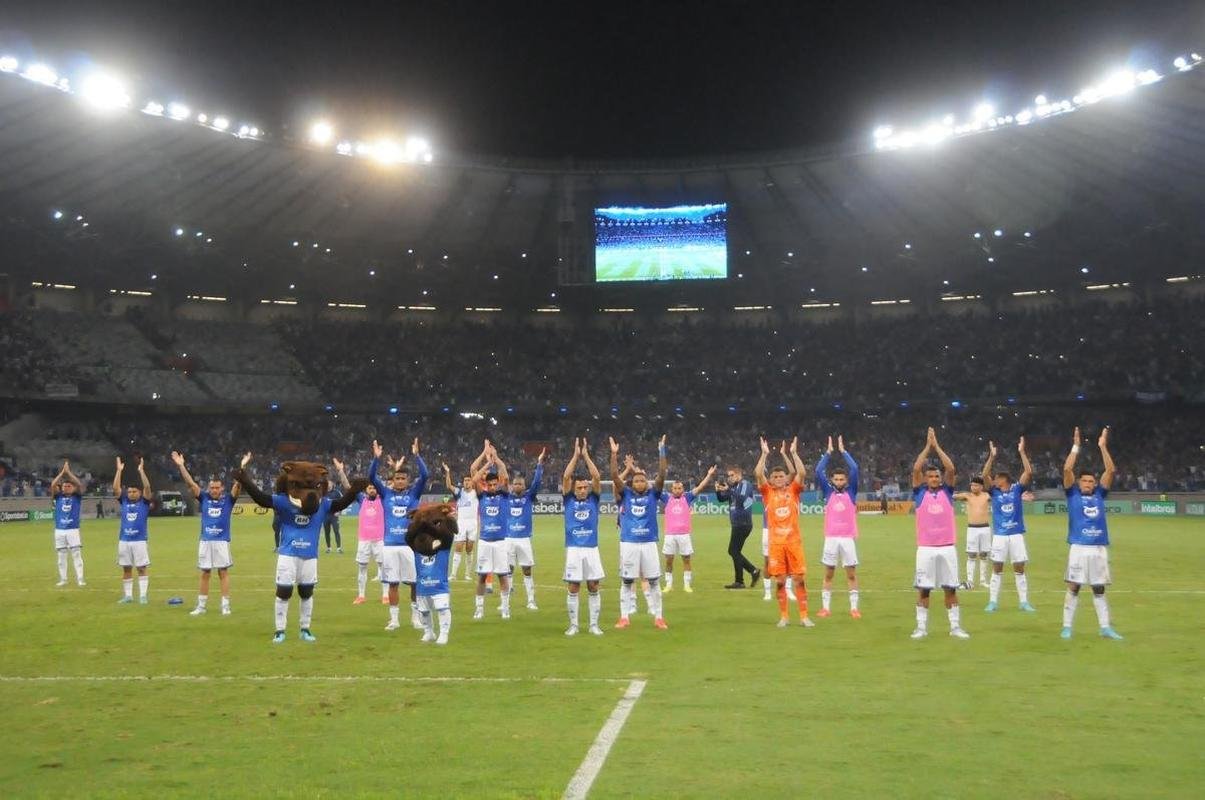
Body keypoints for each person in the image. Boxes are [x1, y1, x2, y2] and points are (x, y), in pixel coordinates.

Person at [234, 456, 363, 643]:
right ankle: (280, 630)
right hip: (288, 554)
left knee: (306, 592)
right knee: (284, 592)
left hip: (310, 556)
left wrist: (354, 491)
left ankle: (305, 629)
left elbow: (341, 504)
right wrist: (246, 481)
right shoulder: (284, 501)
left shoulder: (323, 504)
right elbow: (262, 499)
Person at [1061, 427, 1122, 640]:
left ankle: (1105, 627)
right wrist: (1076, 446)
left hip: (1098, 547)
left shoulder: (1100, 494)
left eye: (1090, 481)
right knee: (1074, 586)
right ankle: (1067, 626)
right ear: (1079, 483)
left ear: (1094, 484)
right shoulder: (1072, 494)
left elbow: (1111, 471)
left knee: (1099, 588)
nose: (1087, 484)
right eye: (1084, 481)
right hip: (1078, 546)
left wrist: (1103, 447)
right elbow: (1067, 470)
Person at [910, 428, 970, 639]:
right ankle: (921, 627)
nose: (935, 478)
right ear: (925, 479)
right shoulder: (919, 493)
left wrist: (937, 446)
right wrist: (928, 447)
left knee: (950, 588)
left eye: (937, 476)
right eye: (931, 476)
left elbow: (951, 468)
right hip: (925, 548)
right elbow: (916, 468)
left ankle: (955, 627)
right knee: (924, 589)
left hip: (947, 547)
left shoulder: (947, 491)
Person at [172, 450, 245, 616]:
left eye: (217, 487)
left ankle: (225, 606)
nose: (213, 490)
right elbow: (191, 484)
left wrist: (242, 466)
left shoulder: (228, 499)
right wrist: (181, 466)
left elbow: (238, 485)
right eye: (211, 487)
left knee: (223, 572)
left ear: (222, 488)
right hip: (205, 541)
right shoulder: (203, 497)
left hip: (221, 541)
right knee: (205, 573)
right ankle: (201, 606)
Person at [368, 438, 428, 631]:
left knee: (413, 583)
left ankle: (415, 618)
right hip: (390, 546)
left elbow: (425, 475)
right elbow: (371, 477)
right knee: (392, 583)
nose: (400, 481)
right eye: (397, 478)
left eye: (403, 478)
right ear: (392, 481)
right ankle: (394, 620)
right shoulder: (385, 494)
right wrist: (376, 459)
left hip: (410, 546)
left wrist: (417, 456)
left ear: (407, 481)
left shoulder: (413, 494)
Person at [609, 434, 668, 629]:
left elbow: (662, 474)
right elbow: (615, 477)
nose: (640, 483)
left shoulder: (654, 494)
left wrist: (661, 451)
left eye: (643, 480)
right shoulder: (624, 494)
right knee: (627, 581)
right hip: (629, 544)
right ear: (632, 484)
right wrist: (614, 454)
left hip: (649, 543)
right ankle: (624, 617)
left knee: (653, 582)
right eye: (637, 481)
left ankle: (659, 617)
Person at [756, 436, 812, 627]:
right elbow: (757, 473)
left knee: (799, 580)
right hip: (776, 545)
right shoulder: (767, 493)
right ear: (770, 480)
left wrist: (794, 453)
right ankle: (784, 616)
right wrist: (763, 455)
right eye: (775, 477)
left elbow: (802, 472)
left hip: (794, 543)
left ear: (786, 478)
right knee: (780, 581)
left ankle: (804, 616)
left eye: (781, 476)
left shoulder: (794, 490)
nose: (778, 479)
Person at [983, 438, 1035, 613]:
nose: (994, 480)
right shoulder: (994, 491)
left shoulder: (1016, 489)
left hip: (1016, 534)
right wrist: (991, 457)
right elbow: (984, 476)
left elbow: (1028, 471)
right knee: (997, 568)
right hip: (999, 535)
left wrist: (1022, 452)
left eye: (997, 478)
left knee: (1019, 568)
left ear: (1003, 479)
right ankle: (993, 602)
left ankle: (1023, 602)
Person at [562, 438, 605, 636]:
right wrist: (574, 456)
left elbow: (596, 477)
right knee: (573, 586)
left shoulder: (594, 499)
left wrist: (586, 455)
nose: (581, 490)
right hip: (573, 549)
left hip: (591, 548)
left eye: (584, 487)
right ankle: (574, 625)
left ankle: (594, 625)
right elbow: (566, 476)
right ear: (574, 489)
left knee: (593, 585)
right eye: (578, 487)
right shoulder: (568, 499)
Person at [815, 435, 861, 619]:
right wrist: (827, 453)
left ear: (846, 481)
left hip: (848, 538)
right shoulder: (828, 492)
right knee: (829, 574)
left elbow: (855, 468)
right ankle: (825, 608)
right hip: (831, 538)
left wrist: (843, 452)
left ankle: (854, 608)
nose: (839, 482)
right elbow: (819, 471)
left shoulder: (851, 492)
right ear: (832, 480)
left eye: (842, 479)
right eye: (836, 479)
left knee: (850, 574)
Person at [472, 443, 513, 620]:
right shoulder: (482, 496)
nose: (493, 486)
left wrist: (496, 459)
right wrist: (488, 465)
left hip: (501, 542)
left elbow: (505, 473)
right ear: (486, 485)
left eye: (495, 484)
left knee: (503, 576)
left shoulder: (504, 495)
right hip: (484, 541)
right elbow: (474, 480)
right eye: (491, 484)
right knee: (482, 576)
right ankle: (479, 608)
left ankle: (505, 608)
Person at [660, 465, 717, 593]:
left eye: (679, 488)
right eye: (675, 488)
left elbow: (700, 487)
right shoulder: (666, 498)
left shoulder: (687, 497)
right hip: (670, 535)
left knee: (686, 559)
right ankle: (669, 584)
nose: (677, 490)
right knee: (669, 560)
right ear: (671, 489)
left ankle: (687, 585)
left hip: (684, 535)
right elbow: (654, 487)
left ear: (683, 489)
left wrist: (709, 475)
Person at [502, 448, 546, 611]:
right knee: (508, 570)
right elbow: (501, 479)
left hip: (524, 539)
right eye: (515, 484)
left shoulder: (528, 496)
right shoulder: (506, 498)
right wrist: (493, 463)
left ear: (524, 486)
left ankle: (531, 600)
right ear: (512, 486)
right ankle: (505, 603)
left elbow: (537, 482)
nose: (517, 486)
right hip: (509, 538)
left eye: (520, 483)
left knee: (527, 570)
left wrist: (540, 463)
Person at [113, 456, 153, 604]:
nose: (131, 494)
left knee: (141, 568)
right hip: (124, 540)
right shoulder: (124, 501)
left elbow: (148, 488)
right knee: (126, 568)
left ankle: (143, 595)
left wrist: (141, 471)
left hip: (139, 541)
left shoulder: (144, 502)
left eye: (134, 492)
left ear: (140, 493)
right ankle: (128, 596)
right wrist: (118, 471)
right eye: (129, 492)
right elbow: (116, 489)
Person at [714, 464, 760, 590]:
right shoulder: (734, 488)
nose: (729, 478)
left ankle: (749, 573)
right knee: (735, 552)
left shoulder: (745, 484)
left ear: (739, 475)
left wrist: (729, 489)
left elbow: (741, 499)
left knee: (733, 551)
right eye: (729, 476)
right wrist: (718, 490)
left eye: (732, 475)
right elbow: (722, 499)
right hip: (737, 524)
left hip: (743, 523)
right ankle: (744, 578)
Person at [347, 462, 388, 605]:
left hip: (379, 539)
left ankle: (385, 595)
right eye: (370, 488)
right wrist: (340, 471)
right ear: (366, 490)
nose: (372, 490)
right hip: (364, 540)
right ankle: (361, 595)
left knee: (383, 566)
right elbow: (348, 488)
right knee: (362, 567)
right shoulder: (361, 499)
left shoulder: (382, 500)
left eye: (374, 488)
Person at [49, 460, 86, 587]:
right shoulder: (58, 497)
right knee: (61, 557)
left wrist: (69, 473)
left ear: (73, 488)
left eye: (69, 486)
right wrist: (61, 473)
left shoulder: (77, 497)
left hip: (72, 529)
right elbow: (53, 485)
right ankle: (63, 579)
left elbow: (79, 484)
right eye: (64, 486)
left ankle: (80, 579)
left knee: (76, 554)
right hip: (59, 530)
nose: (66, 488)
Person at [446, 456, 483, 580]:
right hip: (461, 523)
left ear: (472, 482)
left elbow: (477, 478)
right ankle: (453, 574)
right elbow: (449, 485)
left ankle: (467, 574)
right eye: (465, 480)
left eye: (468, 480)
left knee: (469, 549)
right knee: (458, 548)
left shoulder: (477, 493)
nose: (466, 482)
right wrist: (447, 473)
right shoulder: (459, 492)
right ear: (463, 482)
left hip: (473, 523)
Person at [953, 477, 991, 590]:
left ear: (981, 486)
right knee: (972, 554)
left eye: (976, 485)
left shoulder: (987, 496)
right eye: (972, 485)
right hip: (972, 529)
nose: (973, 487)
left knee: (984, 554)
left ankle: (983, 581)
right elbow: (952, 496)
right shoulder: (967, 496)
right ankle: (970, 581)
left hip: (985, 528)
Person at [322, 479, 344, 554]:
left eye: (329, 484)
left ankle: (339, 548)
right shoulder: (323, 493)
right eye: (327, 484)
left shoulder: (337, 492)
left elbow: (343, 502)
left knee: (336, 531)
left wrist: (339, 512)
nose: (328, 485)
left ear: (332, 485)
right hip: (325, 516)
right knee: (327, 532)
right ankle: (328, 548)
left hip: (334, 515)